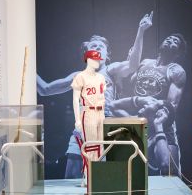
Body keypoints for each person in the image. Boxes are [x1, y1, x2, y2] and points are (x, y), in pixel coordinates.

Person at [36, 13, 152, 178]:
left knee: (105, 178)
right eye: (93, 46)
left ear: (107, 55)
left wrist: (141, 30)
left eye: (100, 47)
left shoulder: (112, 70)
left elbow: (133, 65)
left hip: (106, 127)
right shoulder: (78, 76)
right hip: (83, 128)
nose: (97, 48)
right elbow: (45, 89)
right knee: (71, 177)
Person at [116, 33, 187, 176]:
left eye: (175, 42)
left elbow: (171, 106)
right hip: (137, 119)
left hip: (160, 122)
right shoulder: (145, 62)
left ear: (178, 52)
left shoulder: (176, 70)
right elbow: (128, 88)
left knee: (170, 171)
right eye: (169, 38)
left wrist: (156, 122)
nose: (170, 40)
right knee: (130, 170)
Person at [72, 50, 106, 183]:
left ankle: (96, 175)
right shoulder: (80, 77)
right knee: (90, 146)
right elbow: (75, 100)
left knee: (101, 146)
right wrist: (77, 119)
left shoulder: (101, 77)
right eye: (95, 59)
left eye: (98, 59)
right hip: (88, 112)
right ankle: (89, 176)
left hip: (101, 112)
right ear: (88, 60)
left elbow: (102, 95)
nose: (97, 61)